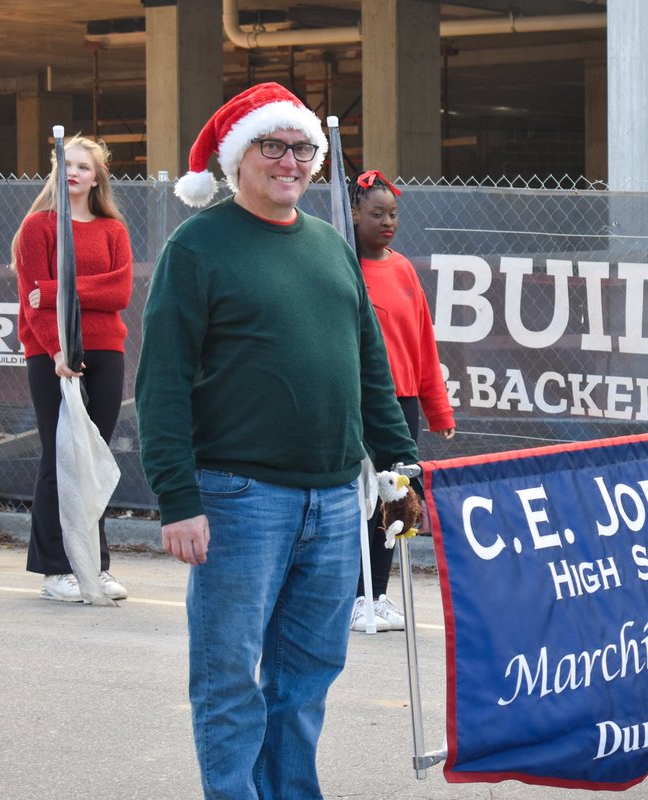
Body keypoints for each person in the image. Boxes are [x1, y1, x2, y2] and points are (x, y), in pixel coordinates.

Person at [134, 82, 419, 799]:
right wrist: (177, 498)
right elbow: (162, 382)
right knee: (229, 680)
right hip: (237, 499)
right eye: (272, 146)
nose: (289, 161)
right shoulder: (196, 247)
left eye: (301, 149)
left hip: (332, 501)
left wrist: (401, 472)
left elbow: (369, 370)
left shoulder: (330, 246)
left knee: (305, 680)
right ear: (239, 159)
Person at [9, 135, 132, 603]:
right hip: (53, 357)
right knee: (59, 457)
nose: (75, 172)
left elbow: (119, 293)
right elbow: (32, 301)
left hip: (106, 352)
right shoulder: (38, 227)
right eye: (68, 165)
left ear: (97, 175)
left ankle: (94, 566)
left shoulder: (112, 230)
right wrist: (58, 351)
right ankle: (57, 569)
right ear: (57, 172)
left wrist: (61, 286)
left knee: (93, 458)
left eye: (84, 166)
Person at [347, 170, 455, 633]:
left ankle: (379, 594)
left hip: (402, 403)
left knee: (395, 501)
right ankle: (352, 596)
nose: (387, 222)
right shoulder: (342, 265)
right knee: (357, 500)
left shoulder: (405, 269)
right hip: (354, 400)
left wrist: (438, 409)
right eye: (376, 213)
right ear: (353, 214)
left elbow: (422, 343)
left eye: (392, 213)